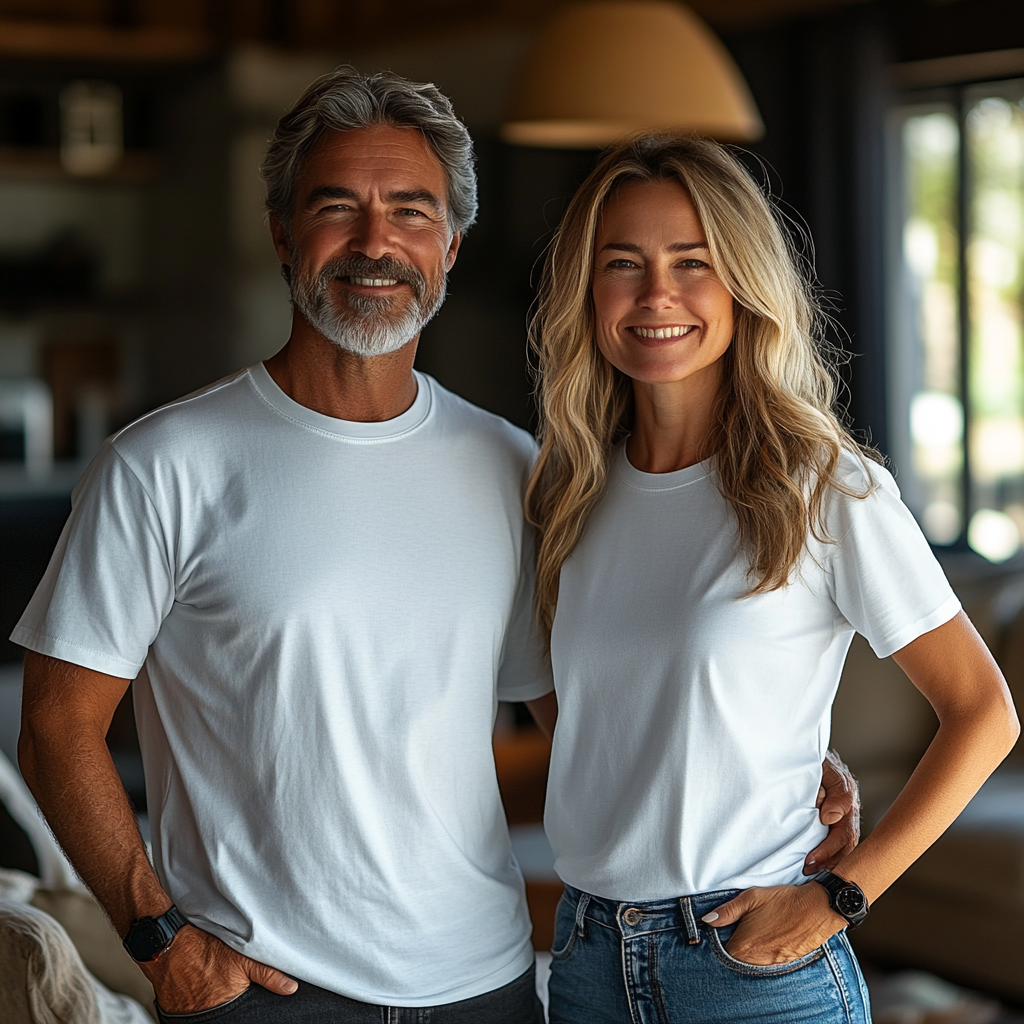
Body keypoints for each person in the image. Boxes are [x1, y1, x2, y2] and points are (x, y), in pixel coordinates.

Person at [12, 71, 854, 1023]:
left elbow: (588, 704)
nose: (377, 242)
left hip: (488, 985)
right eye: (339, 207)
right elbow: (52, 727)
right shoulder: (163, 465)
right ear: (284, 233)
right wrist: (157, 939)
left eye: (411, 210)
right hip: (263, 992)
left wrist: (776, 768)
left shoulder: (512, 465)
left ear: (450, 245)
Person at [525, 132, 1019, 1024]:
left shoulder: (826, 486)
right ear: (587, 292)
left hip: (750, 968)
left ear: (744, 282)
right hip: (590, 959)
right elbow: (577, 708)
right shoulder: (568, 493)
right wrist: (764, 753)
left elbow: (985, 713)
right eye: (622, 263)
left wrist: (844, 895)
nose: (657, 295)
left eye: (693, 262)